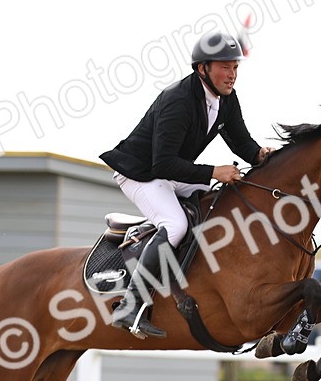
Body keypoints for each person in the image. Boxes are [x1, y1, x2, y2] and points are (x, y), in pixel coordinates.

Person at [100, 30, 274, 338]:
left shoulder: (226, 100)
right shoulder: (178, 100)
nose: (232, 75)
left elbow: (242, 143)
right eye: (225, 67)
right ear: (202, 68)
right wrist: (212, 172)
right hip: (140, 173)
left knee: (224, 199)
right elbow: (162, 164)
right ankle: (129, 306)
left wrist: (261, 154)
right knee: (176, 225)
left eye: (235, 68)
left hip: (170, 172)